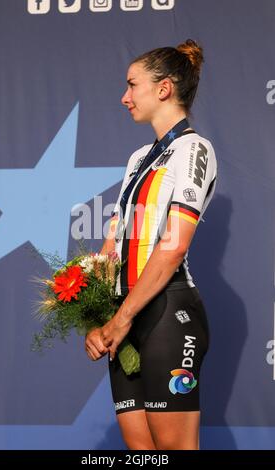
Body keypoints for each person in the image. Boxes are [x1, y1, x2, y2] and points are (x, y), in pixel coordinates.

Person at [85, 39, 217, 450]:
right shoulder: (139, 157)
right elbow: (113, 244)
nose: (124, 97)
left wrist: (122, 318)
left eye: (132, 85)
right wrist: (95, 314)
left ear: (163, 89)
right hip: (124, 317)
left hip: (166, 312)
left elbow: (173, 246)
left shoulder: (193, 148)